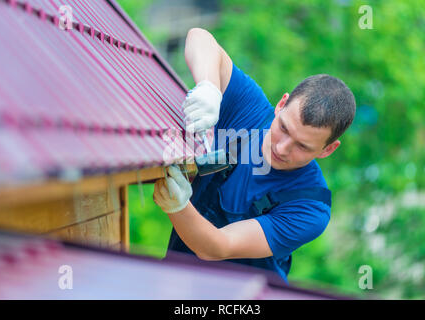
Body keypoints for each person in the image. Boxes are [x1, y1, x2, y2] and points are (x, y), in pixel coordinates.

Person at [153, 28, 356, 283]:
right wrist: (209, 88)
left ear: (328, 149)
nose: (282, 148)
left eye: (302, 146)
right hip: (176, 284)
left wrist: (177, 205)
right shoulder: (249, 113)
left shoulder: (310, 206)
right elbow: (199, 37)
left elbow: (216, 247)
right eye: (283, 128)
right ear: (281, 105)